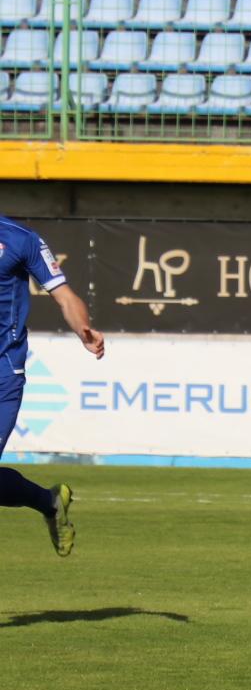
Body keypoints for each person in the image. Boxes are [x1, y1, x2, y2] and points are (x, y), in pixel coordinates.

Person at [0, 215, 105, 555]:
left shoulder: (21, 239)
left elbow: (65, 297)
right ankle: (49, 502)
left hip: (3, 373)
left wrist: (83, 329)